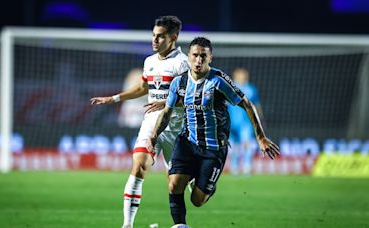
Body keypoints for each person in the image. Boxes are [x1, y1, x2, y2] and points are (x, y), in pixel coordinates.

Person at [146, 37, 280, 226]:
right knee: (174, 184)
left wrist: (261, 137)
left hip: (213, 148)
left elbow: (247, 104)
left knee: (197, 200)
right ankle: (180, 225)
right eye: (195, 55)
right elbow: (167, 112)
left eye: (203, 56)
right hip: (187, 142)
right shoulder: (179, 82)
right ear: (189, 57)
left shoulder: (218, 81)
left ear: (210, 58)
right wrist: (153, 136)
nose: (198, 60)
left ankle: (206, 185)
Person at [90, 16, 189, 228]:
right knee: (139, 166)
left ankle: (188, 208)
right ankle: (127, 225)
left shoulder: (182, 63)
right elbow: (143, 89)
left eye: (160, 36)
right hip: (151, 122)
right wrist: (113, 98)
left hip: (176, 127)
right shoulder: (150, 62)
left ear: (173, 37)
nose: (155, 40)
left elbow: (191, 95)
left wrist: (165, 103)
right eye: (154, 35)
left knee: (178, 186)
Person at [228, 67, 263, 175]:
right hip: (231, 122)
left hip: (246, 123)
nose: (242, 77)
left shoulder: (251, 89)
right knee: (233, 146)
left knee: (246, 144)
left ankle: (247, 166)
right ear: (235, 76)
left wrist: (259, 119)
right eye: (240, 74)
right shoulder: (229, 87)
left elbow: (256, 105)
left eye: (244, 74)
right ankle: (234, 167)